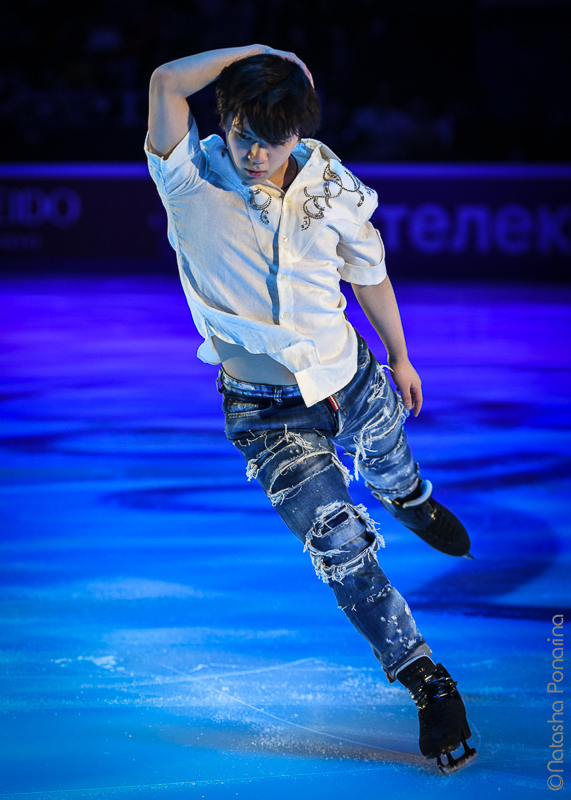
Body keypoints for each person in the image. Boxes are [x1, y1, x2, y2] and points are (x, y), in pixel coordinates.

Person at [145, 44, 477, 774]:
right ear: (223, 118)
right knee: (340, 547)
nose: (257, 153)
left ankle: (411, 498)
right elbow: (167, 81)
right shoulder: (188, 178)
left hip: (350, 374)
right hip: (267, 415)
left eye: (275, 137)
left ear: (300, 129)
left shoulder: (331, 179)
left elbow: (370, 271)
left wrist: (401, 353)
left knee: (390, 454)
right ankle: (425, 677)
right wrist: (264, 55)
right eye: (242, 133)